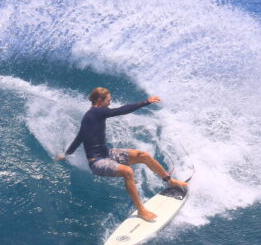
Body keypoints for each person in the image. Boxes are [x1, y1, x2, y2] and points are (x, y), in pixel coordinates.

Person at [56, 87, 188, 222]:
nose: (109, 103)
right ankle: (142, 211)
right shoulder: (96, 112)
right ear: (100, 100)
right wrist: (145, 102)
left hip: (107, 154)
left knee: (144, 156)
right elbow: (121, 110)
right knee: (127, 172)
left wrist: (66, 154)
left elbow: (79, 138)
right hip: (97, 162)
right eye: (108, 100)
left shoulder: (91, 116)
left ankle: (169, 181)